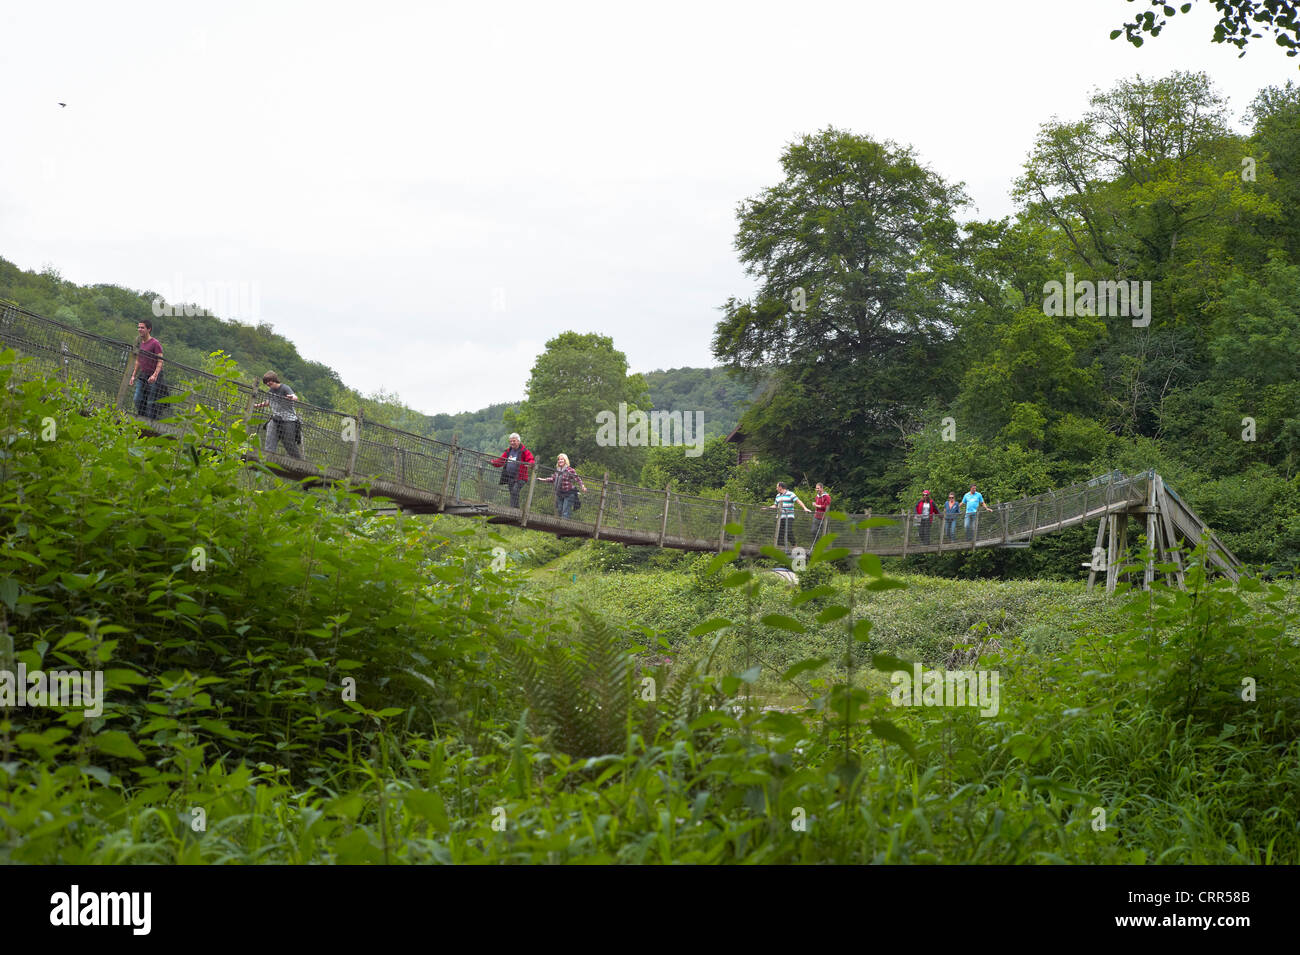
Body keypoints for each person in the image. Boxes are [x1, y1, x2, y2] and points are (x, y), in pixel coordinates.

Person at [253, 372, 303, 459]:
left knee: (288, 442)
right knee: (270, 437)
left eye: (269, 381)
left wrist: (291, 397)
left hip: (288, 420)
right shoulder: (270, 391)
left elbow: (295, 397)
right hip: (275, 419)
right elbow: (268, 402)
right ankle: (268, 457)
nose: (268, 383)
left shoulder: (284, 388)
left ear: (274, 380)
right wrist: (258, 405)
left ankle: (297, 461)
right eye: (266, 382)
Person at [489, 433, 535, 508]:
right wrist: (493, 462)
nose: (512, 443)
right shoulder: (508, 451)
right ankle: (516, 509)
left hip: (521, 477)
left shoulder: (524, 451)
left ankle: (512, 509)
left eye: (514, 441)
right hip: (510, 477)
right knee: (513, 493)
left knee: (515, 491)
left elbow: (530, 459)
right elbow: (501, 461)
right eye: (510, 441)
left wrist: (531, 464)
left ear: (518, 441)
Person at [131, 319, 164, 419]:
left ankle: (150, 422)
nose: (139, 329)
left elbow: (160, 360)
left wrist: (155, 375)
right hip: (143, 375)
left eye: (142, 327)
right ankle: (142, 417)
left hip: (154, 377)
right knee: (137, 398)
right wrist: (133, 375)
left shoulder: (155, 343)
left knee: (151, 402)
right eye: (139, 327)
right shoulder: (141, 343)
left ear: (149, 329)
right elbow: (138, 361)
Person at [538, 453, 586, 519]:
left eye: (562, 459)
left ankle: (564, 526)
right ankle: (560, 524)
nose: (560, 461)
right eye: (559, 459)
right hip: (560, 493)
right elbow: (553, 479)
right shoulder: (558, 470)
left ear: (565, 460)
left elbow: (577, 479)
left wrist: (582, 486)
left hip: (569, 493)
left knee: (565, 512)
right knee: (559, 510)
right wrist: (543, 479)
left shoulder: (569, 470)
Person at [768, 481, 810, 549]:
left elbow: (798, 501)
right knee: (779, 533)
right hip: (779, 517)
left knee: (788, 531)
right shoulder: (777, 496)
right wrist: (767, 508)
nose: (776, 488)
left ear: (780, 487)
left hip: (789, 516)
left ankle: (794, 545)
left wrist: (805, 508)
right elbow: (775, 505)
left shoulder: (790, 494)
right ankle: (781, 548)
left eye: (777, 487)